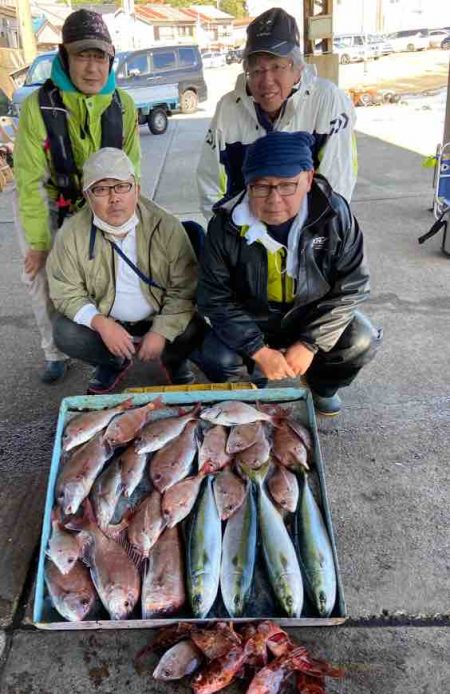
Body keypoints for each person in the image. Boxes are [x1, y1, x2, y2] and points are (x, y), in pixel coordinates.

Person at [196, 131, 382, 415]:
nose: (274, 199)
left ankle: (321, 385)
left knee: (361, 340)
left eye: (287, 186)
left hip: (310, 312)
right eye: (261, 186)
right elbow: (214, 298)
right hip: (253, 316)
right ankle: (254, 387)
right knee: (216, 356)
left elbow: (353, 285)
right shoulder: (224, 225)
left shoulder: (336, 214)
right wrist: (259, 350)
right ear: (247, 184)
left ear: (308, 178)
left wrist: (310, 343)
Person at [14, 9, 140, 384]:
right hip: (52, 199)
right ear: (64, 57)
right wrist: (39, 243)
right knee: (41, 274)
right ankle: (54, 350)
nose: (91, 67)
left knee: (110, 267)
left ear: (110, 59)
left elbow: (133, 173)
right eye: (82, 55)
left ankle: (109, 341)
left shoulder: (124, 105)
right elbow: (30, 180)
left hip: (101, 197)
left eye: (99, 56)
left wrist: (129, 220)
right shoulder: (37, 106)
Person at [47, 148, 205, 395]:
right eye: (101, 189)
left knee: (193, 327)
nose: (114, 198)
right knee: (64, 332)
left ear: (137, 189)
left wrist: (162, 331)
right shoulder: (71, 234)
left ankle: (173, 361)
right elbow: (64, 291)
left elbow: (184, 289)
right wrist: (101, 324)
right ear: (88, 197)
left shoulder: (166, 226)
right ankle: (112, 362)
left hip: (157, 316)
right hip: (110, 321)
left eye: (122, 186)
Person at [197, 6, 357, 221]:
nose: (266, 81)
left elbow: (337, 184)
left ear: (298, 67)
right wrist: (226, 234)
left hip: (308, 231)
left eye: (276, 67)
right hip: (244, 233)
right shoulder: (228, 107)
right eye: (256, 70)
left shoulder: (329, 100)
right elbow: (210, 183)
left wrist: (311, 237)